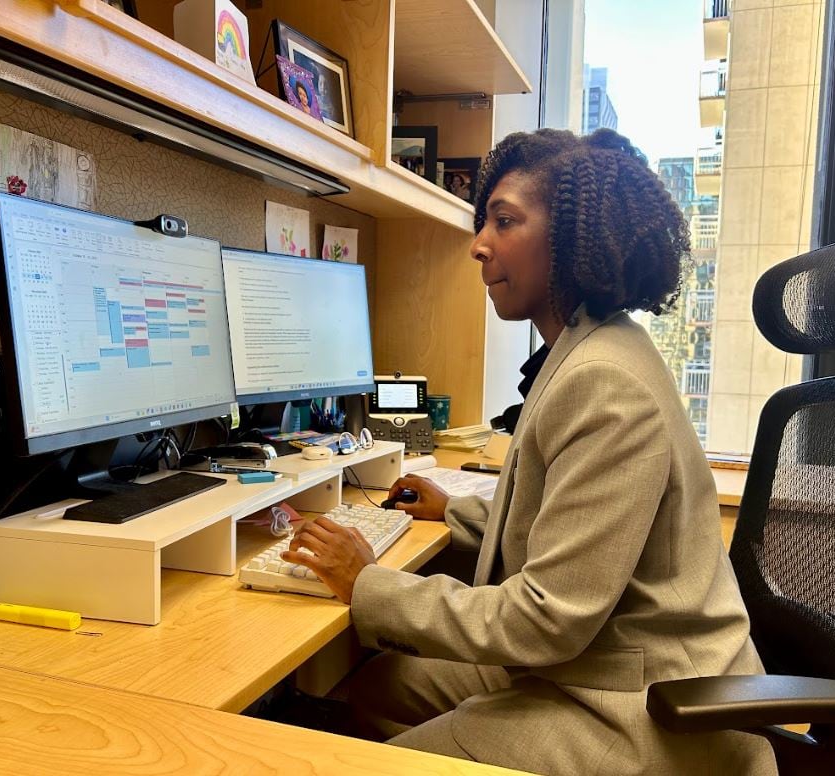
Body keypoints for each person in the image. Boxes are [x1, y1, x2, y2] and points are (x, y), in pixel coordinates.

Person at [282, 128, 776, 776]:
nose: (478, 245)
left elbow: (547, 618)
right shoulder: (587, 348)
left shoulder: (605, 383)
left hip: (645, 707)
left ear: (570, 239)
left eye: (504, 220)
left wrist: (367, 584)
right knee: (373, 692)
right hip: (598, 660)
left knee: (352, 762)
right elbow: (571, 533)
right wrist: (455, 515)